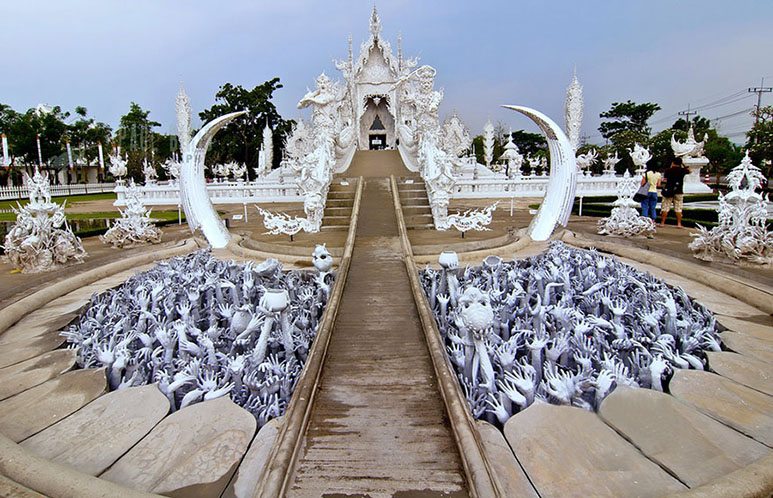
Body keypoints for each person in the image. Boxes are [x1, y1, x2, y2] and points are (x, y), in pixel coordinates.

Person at [660, 157, 690, 227]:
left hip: (669, 190)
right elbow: (689, 171)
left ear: (673, 162)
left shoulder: (668, 170)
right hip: (679, 191)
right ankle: (679, 224)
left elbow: (665, 178)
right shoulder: (682, 170)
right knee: (678, 208)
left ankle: (662, 223)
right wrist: (683, 165)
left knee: (665, 207)